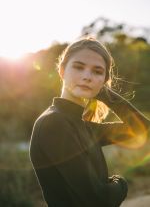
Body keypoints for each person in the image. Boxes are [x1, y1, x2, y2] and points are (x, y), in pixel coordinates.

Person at [29, 37, 150, 207]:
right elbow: (99, 200)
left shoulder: (84, 125)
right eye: (78, 67)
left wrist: (102, 92)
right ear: (62, 71)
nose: (87, 76)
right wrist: (122, 184)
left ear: (104, 80)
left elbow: (143, 130)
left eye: (97, 71)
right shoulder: (54, 123)